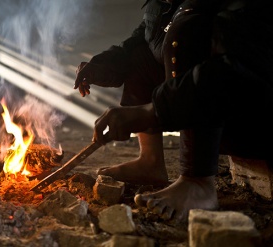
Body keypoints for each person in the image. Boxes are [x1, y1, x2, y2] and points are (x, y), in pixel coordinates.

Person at [74, 0, 273, 223]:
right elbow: (143, 40)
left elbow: (242, 67)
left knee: (185, 33)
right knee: (140, 55)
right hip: (212, 108)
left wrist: (153, 112)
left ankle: (198, 181)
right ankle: (150, 162)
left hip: (253, 117)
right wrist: (103, 66)